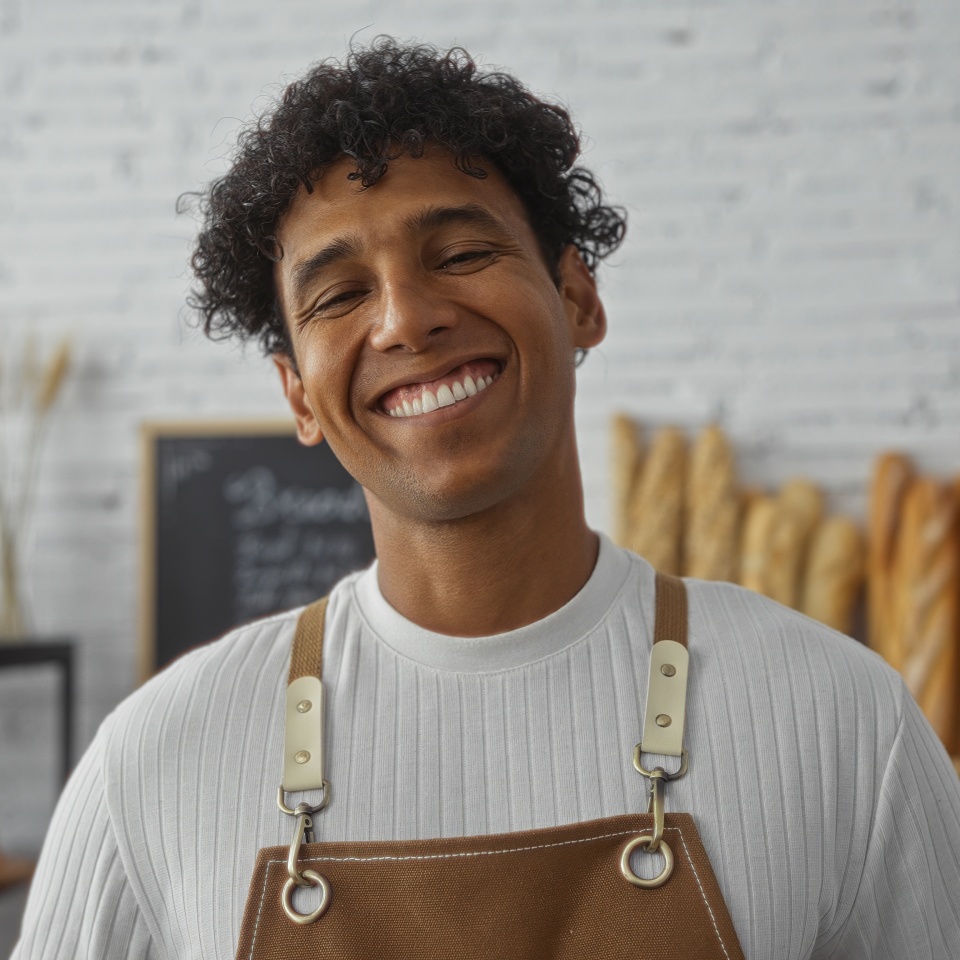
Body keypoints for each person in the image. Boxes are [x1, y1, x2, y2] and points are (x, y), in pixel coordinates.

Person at [12, 38, 960, 960]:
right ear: (298, 393)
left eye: (460, 252)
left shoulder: (838, 723)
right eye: (338, 295)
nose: (404, 317)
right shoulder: (159, 763)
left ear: (577, 296)